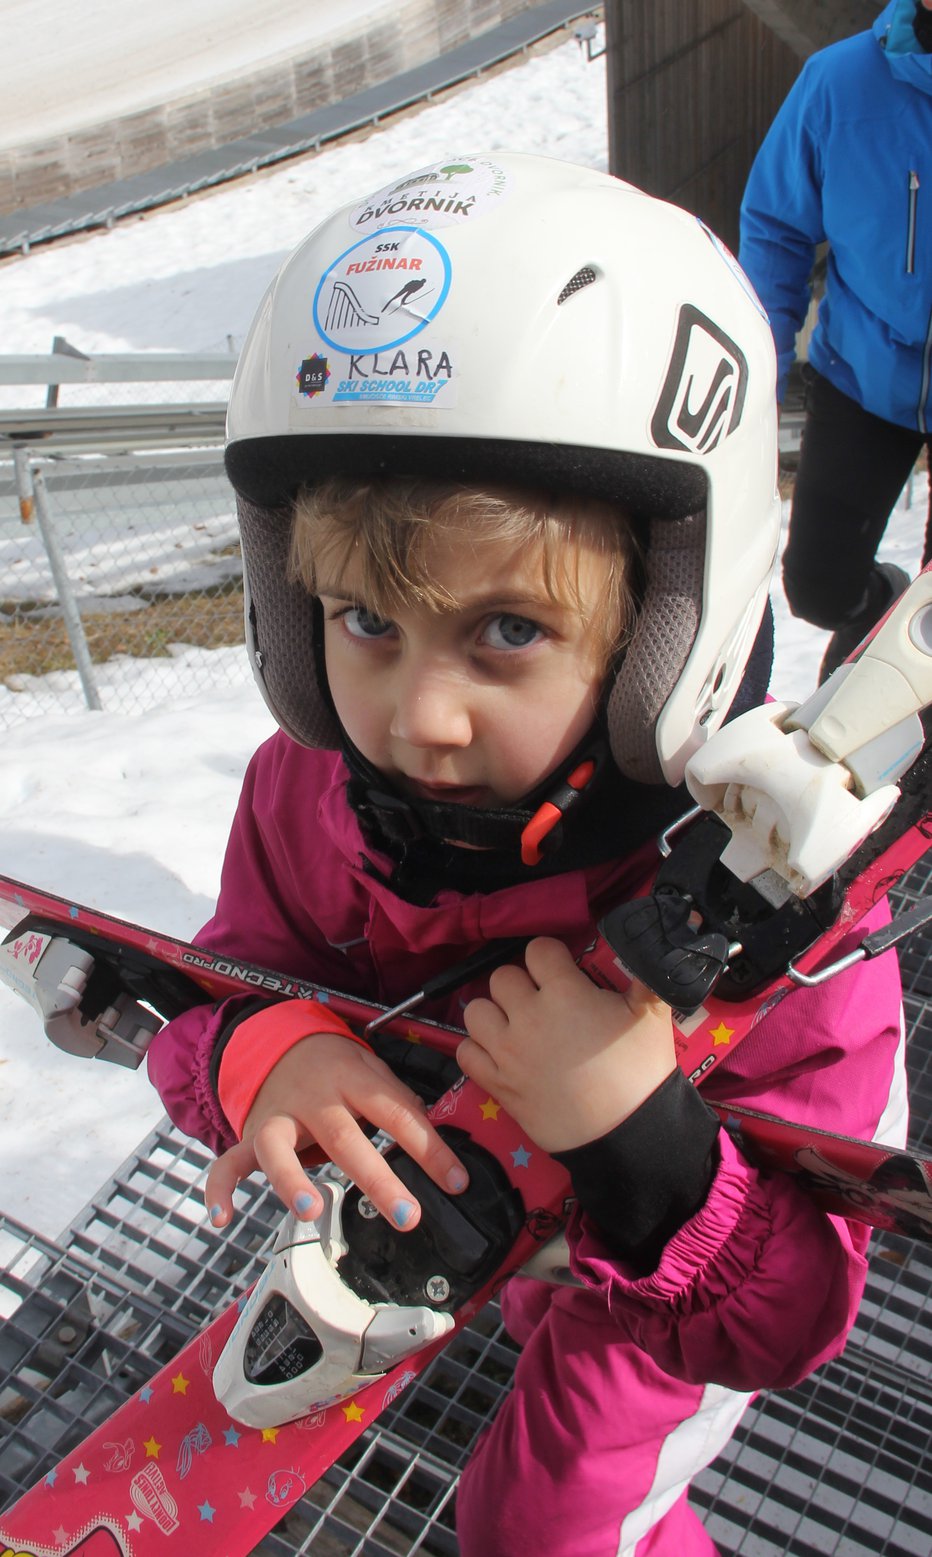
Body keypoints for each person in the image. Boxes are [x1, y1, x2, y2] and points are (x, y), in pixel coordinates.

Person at [146, 154, 907, 1557]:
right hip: (445, 1177)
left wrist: (643, 1136)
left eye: (508, 632)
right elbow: (208, 985)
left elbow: (789, 1314)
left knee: (543, 1523)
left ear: (670, 623)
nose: (419, 719)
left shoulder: (786, 900)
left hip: (656, 1258)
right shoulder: (311, 795)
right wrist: (265, 1052)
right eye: (364, 623)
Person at [739, 0, 932, 683]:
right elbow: (775, 225)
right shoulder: (838, 82)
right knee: (817, 586)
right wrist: (763, 369)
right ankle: (878, 605)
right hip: (865, 374)